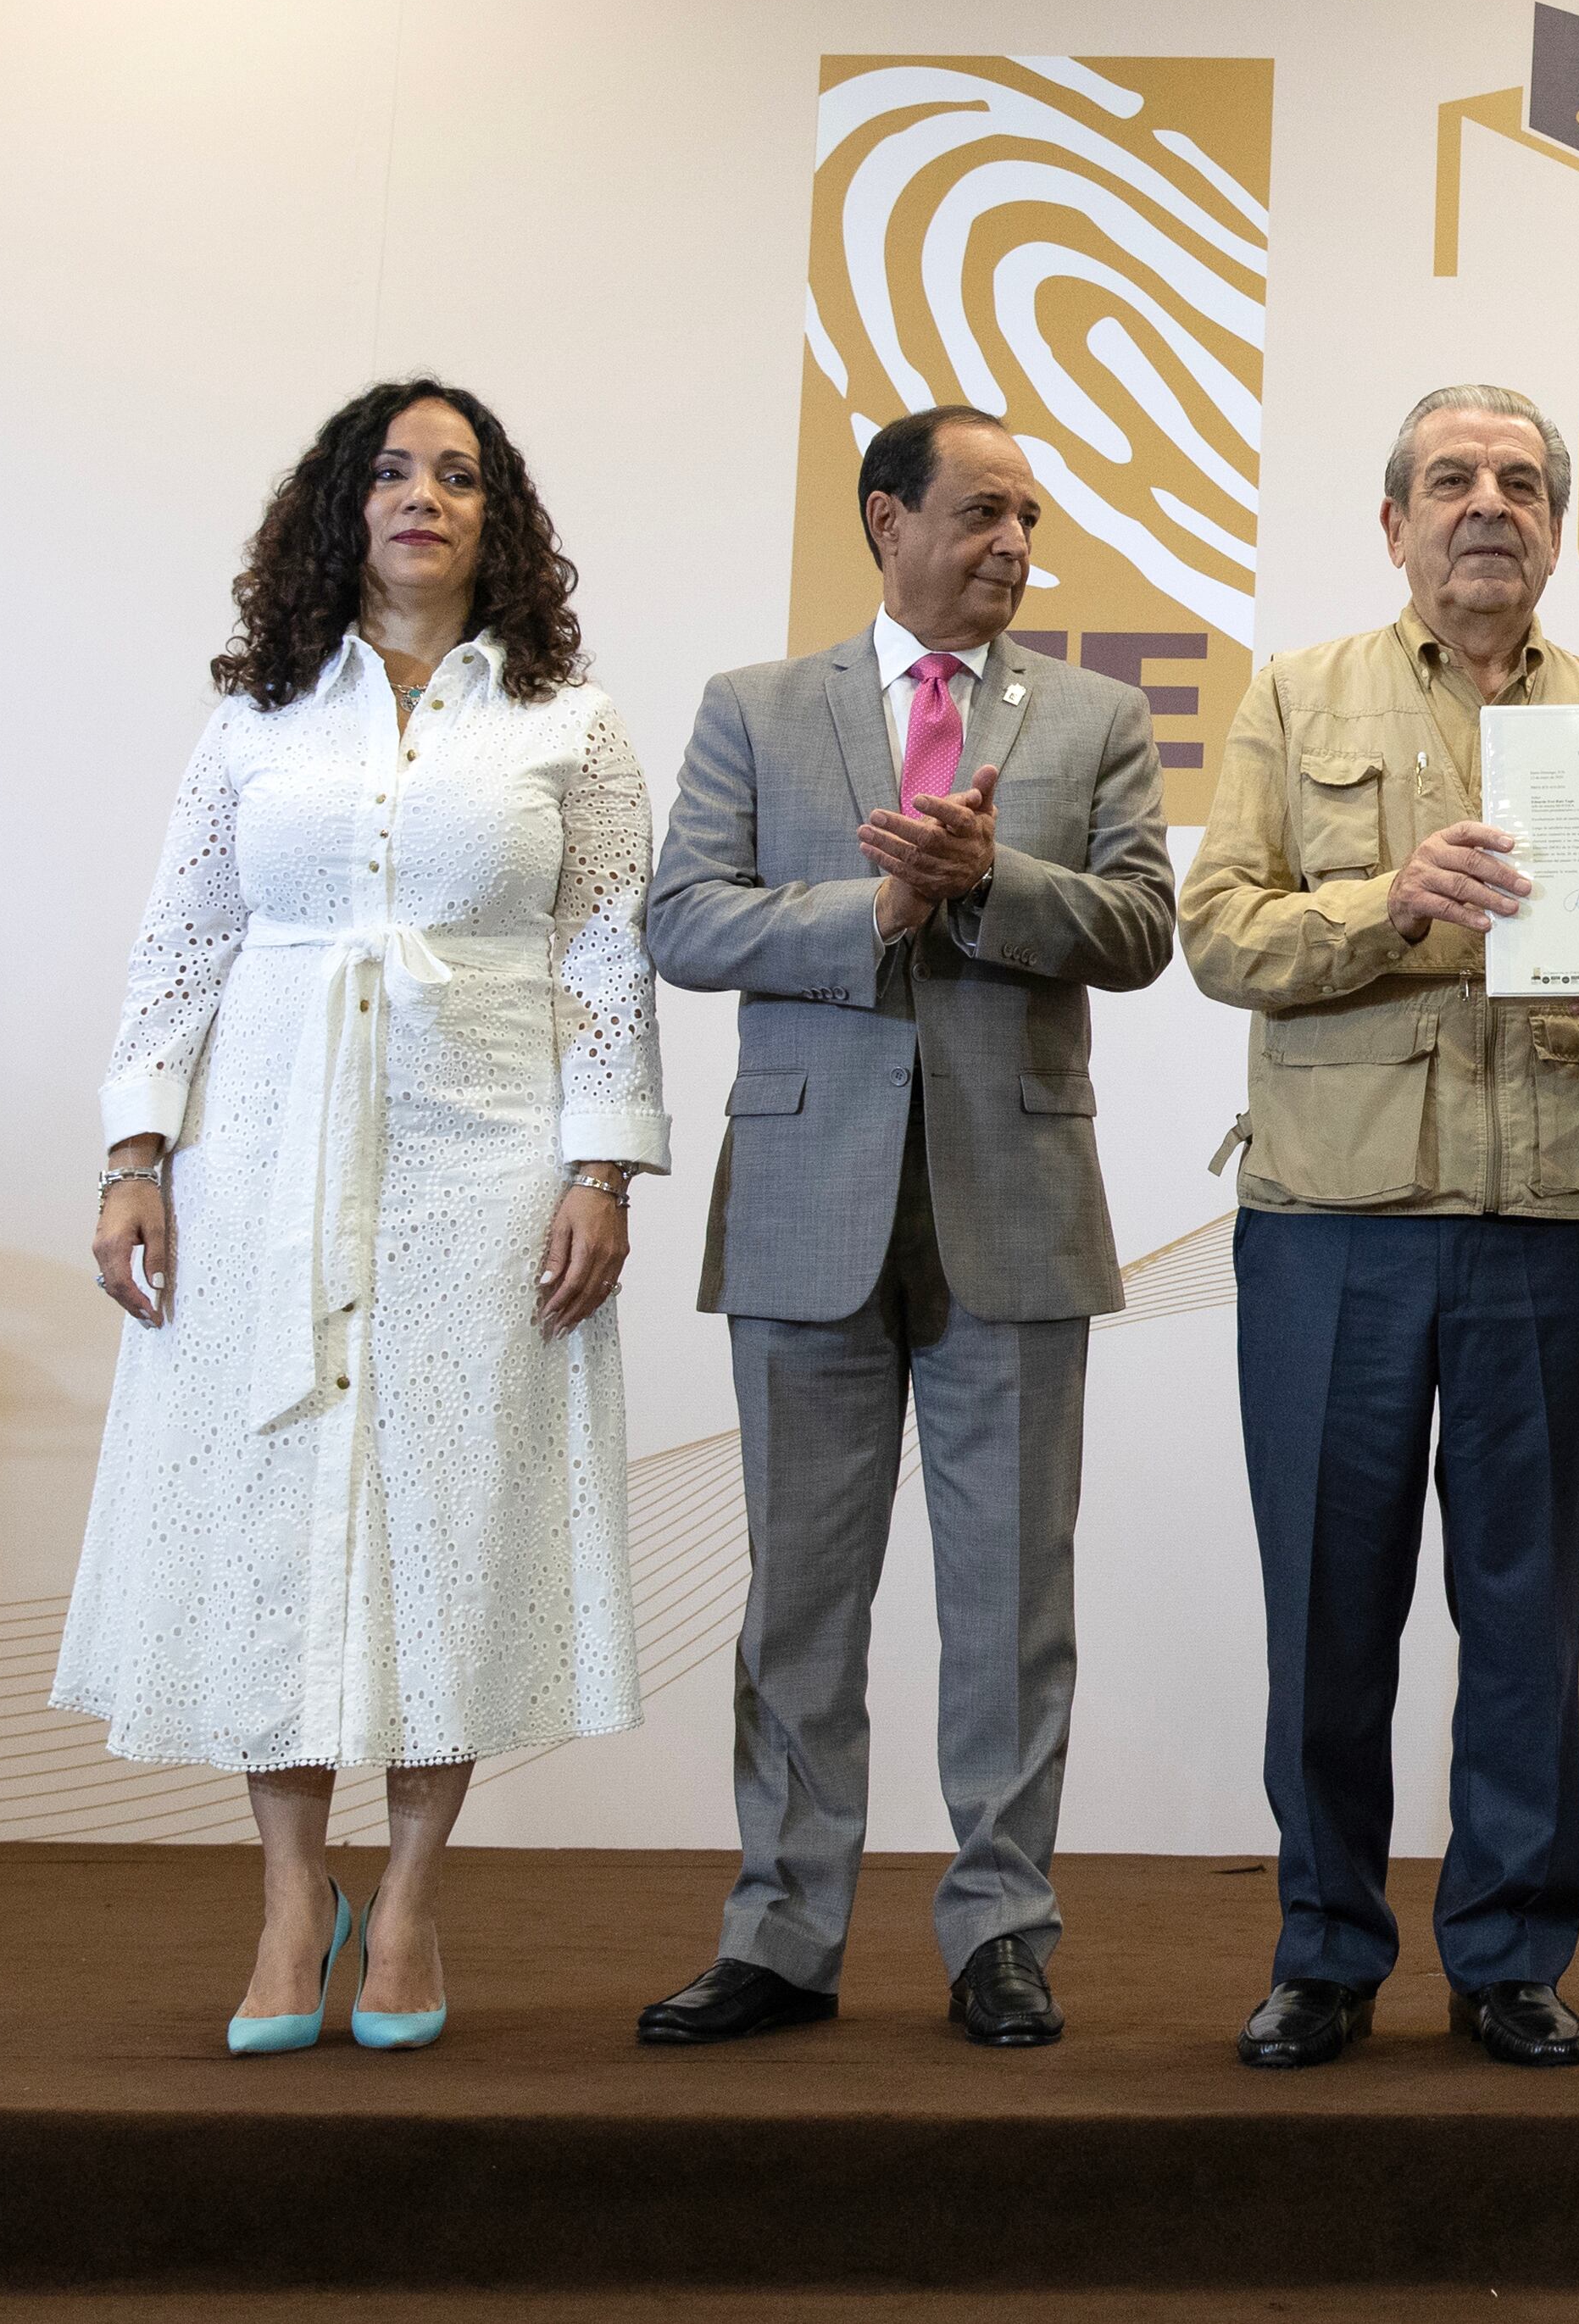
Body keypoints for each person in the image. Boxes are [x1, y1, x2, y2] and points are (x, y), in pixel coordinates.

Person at [61, 377, 667, 2056]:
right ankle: (283, 1899)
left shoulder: (572, 722)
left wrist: (600, 1167)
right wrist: (134, 1155)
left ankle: (404, 1900)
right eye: (394, 470)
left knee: (447, 1516)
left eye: (459, 474)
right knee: (278, 1517)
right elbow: (182, 940)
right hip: (261, 1157)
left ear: (501, 518)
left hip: (483, 1162)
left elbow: (607, 952)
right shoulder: (257, 713)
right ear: (345, 507)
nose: (425, 494)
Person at [1180, 385, 1579, 2072]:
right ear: (1394, 525)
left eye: (1520, 482)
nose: (1487, 507)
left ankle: (1508, 1955)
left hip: (1555, 1220)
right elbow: (1218, 935)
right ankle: (1324, 1951)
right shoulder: (1301, 694)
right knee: (1328, 1611)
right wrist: (1392, 897)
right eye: (1452, 481)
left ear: (1558, 526)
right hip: (1333, 1224)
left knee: (1524, 1611)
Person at [637, 403, 1175, 2053]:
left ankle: (1001, 1926)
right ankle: (783, 1930)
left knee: (1014, 1599)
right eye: (982, 513)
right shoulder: (757, 707)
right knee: (802, 1597)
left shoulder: (1095, 715)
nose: (1013, 545)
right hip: (809, 1205)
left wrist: (988, 879)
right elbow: (681, 917)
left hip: (1014, 1206)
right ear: (888, 518)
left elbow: (1145, 925)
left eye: (1030, 519)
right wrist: (871, 907)